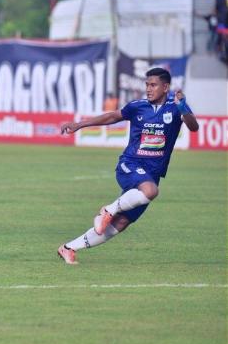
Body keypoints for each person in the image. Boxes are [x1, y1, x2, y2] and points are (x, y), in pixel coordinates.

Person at [56, 68, 199, 264]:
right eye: (147, 85)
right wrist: (80, 124)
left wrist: (183, 107)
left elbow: (194, 127)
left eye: (153, 85)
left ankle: (68, 248)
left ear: (166, 87)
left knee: (121, 223)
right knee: (151, 191)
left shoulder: (175, 108)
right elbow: (112, 117)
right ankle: (108, 210)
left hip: (152, 174)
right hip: (129, 165)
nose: (148, 89)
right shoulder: (137, 106)